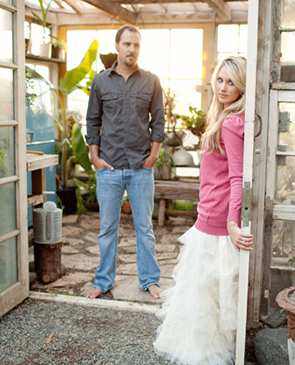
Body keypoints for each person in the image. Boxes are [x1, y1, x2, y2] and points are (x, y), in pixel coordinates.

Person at [153, 56, 254, 364]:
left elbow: (238, 177)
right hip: (208, 214)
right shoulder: (223, 117)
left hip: (219, 220)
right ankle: (201, 348)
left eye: (232, 82)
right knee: (203, 294)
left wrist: (233, 222)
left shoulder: (232, 123)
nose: (224, 87)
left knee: (209, 295)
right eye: (220, 80)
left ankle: (207, 354)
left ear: (242, 87)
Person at [84, 25, 164, 300]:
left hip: (141, 167)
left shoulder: (151, 81)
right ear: (117, 46)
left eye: (136, 45)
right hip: (109, 167)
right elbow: (92, 120)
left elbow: (159, 121)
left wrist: (153, 155)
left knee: (145, 228)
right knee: (107, 229)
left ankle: (150, 280)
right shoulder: (101, 81)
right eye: (127, 44)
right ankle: (103, 281)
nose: (131, 49)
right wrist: (94, 156)